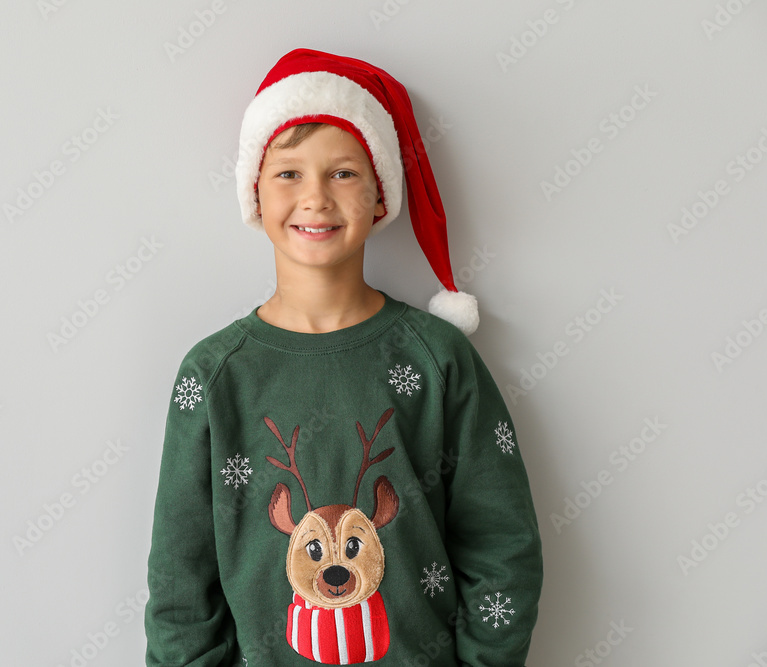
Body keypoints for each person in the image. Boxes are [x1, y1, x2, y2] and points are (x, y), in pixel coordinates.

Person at [145, 48, 543, 666]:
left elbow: (503, 546)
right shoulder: (214, 375)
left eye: (343, 173)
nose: (316, 198)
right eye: (289, 173)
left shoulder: (437, 359)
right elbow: (179, 582)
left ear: (381, 195)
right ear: (255, 190)